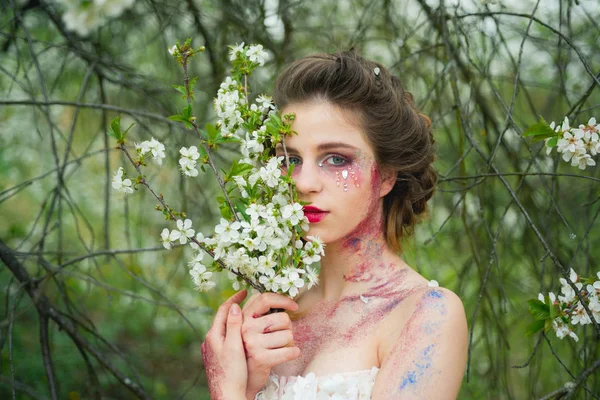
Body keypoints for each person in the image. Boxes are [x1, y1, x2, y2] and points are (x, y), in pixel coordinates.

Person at [201, 51, 468, 399]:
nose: (303, 182)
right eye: (290, 159)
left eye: (336, 158)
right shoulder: (272, 311)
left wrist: (226, 392)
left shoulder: (425, 314)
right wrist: (246, 386)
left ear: (386, 174)